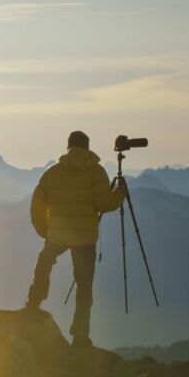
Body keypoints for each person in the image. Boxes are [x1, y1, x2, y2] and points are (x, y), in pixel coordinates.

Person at [24, 130, 126, 348]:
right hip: (84, 239)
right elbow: (104, 204)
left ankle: (34, 302)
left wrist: (44, 230)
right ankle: (80, 335)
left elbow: (37, 204)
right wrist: (120, 194)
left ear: (68, 147)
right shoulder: (96, 172)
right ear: (87, 148)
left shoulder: (52, 173)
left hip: (57, 234)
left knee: (45, 262)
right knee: (84, 286)